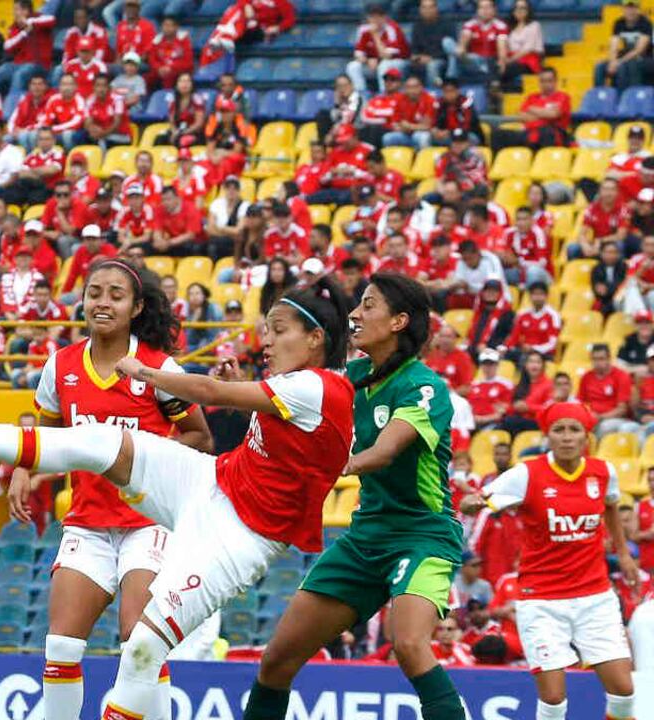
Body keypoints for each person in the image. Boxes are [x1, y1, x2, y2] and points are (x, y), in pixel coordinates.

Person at [0, 260, 353, 720]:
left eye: (278, 330)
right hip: (211, 482)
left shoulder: (314, 387)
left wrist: (147, 374)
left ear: (315, 338)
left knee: (142, 647)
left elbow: (209, 394)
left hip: (238, 536)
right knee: (101, 442)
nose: (266, 340)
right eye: (267, 329)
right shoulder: (296, 385)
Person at [244, 273, 466, 720]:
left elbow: (384, 452)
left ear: (399, 321)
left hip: (422, 536)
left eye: (368, 305)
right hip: (365, 538)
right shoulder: (354, 377)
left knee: (409, 644)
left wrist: (334, 466)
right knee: (277, 660)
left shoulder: (425, 387)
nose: (355, 314)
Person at [462, 402, 638, 720]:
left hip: (594, 597)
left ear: (586, 436)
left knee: (623, 690)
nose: (567, 437)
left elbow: (611, 505)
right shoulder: (527, 474)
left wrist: (624, 555)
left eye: (574, 430)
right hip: (542, 600)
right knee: (554, 699)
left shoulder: (603, 472)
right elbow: (476, 499)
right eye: (559, 430)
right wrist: (472, 503)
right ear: (548, 436)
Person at [594, 0, 652, 90]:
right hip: (625, 56)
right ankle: (600, 95)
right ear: (623, 9)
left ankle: (623, 96)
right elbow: (614, 45)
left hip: (644, 57)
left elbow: (639, 50)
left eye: (633, 8)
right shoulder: (619, 23)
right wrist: (613, 61)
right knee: (599, 67)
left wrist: (620, 62)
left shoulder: (645, 23)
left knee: (624, 67)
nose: (630, 11)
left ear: (638, 9)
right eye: (628, 8)